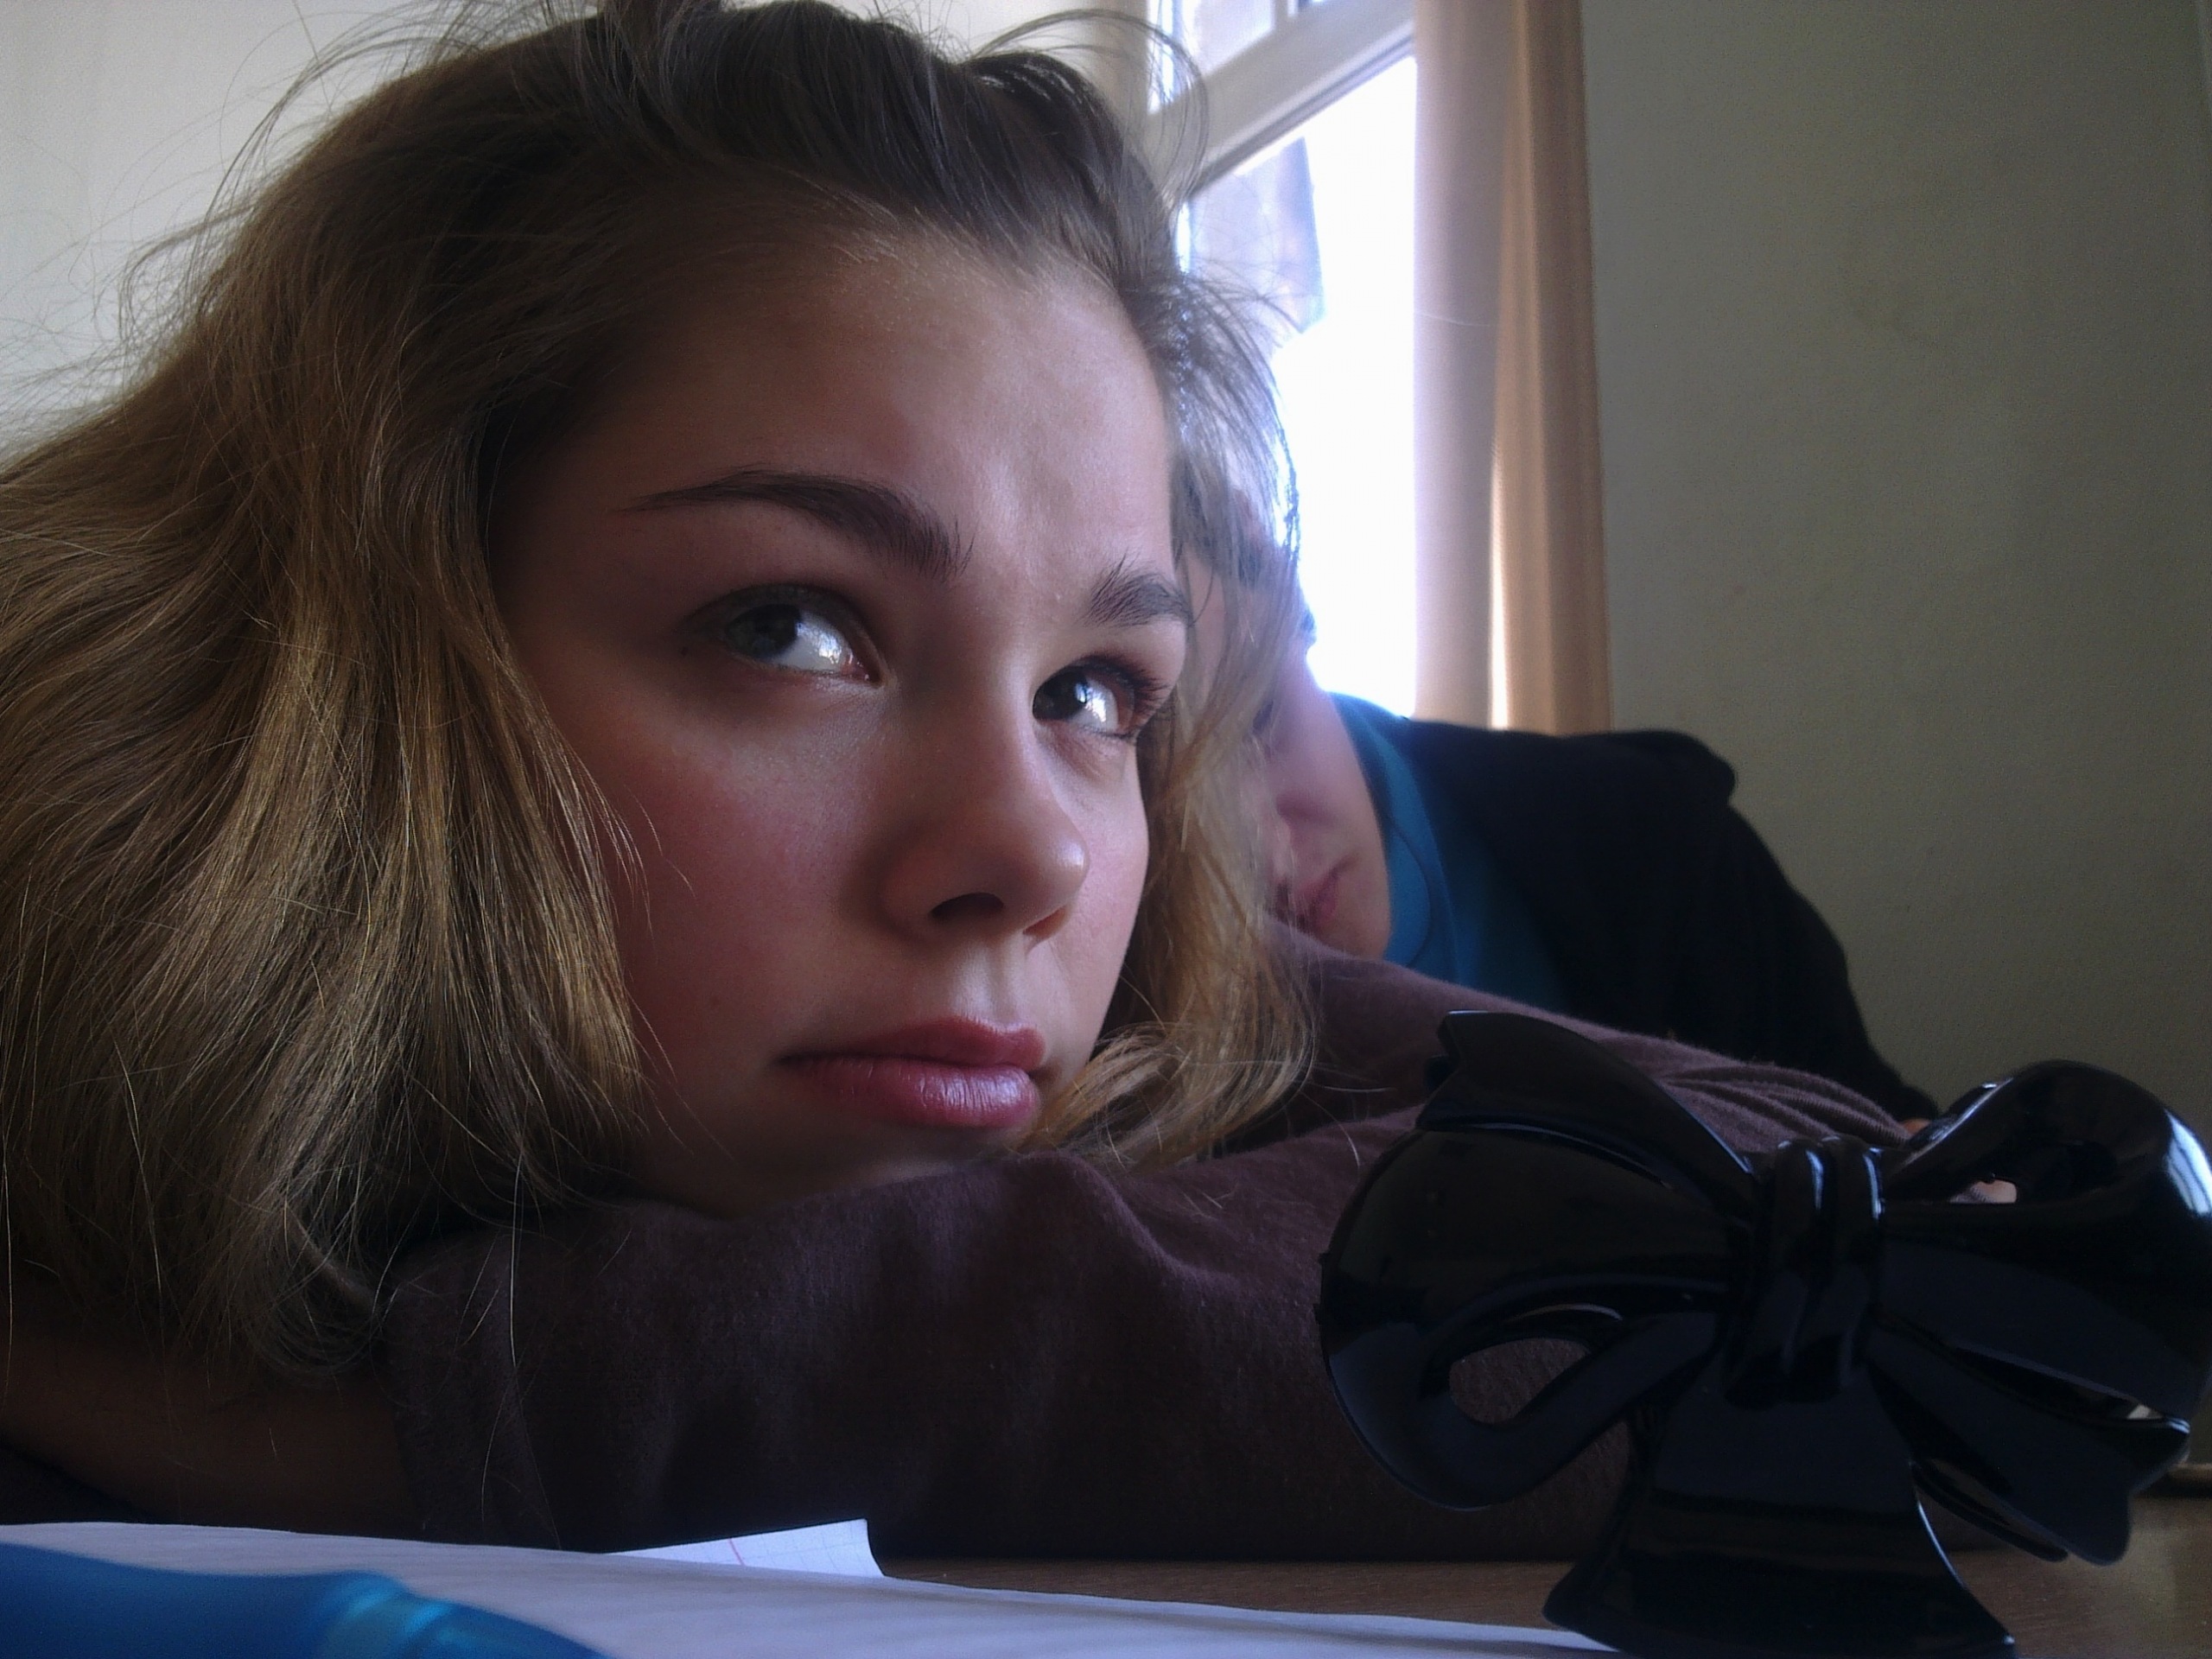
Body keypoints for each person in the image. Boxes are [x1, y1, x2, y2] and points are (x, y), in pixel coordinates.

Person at [0, 0, 1900, 1552]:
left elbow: (1894, 1239)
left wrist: (452, 1415)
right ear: (316, 658)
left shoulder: (1168, 992)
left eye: (1095, 690)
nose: (1031, 854)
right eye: (786, 629)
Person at [1257, 632, 1938, 1119]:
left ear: (1291, 602)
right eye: (1188, 788)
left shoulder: (1655, 836)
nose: (1267, 855)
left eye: (1258, 717)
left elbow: (1885, 1125)